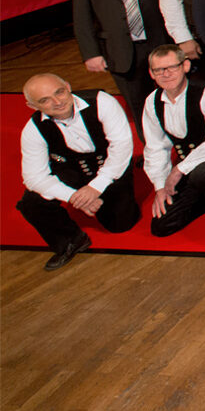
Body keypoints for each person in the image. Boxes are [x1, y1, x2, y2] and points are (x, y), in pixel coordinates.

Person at [17, 74, 140, 270]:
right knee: (32, 202)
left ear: (68, 86)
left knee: (120, 224)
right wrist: (74, 196)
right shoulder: (33, 129)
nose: (57, 102)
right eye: (45, 100)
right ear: (32, 106)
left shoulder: (101, 102)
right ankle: (70, 241)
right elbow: (33, 177)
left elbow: (122, 147)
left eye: (59, 92)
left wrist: (96, 187)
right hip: (71, 169)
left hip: (109, 164)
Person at [140, 44, 205, 237]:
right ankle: (203, 198)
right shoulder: (152, 102)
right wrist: (160, 187)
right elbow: (155, 148)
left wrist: (179, 169)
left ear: (185, 66)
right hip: (188, 171)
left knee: (202, 174)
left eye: (172, 67)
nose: (166, 74)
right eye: (159, 70)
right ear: (151, 74)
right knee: (162, 226)